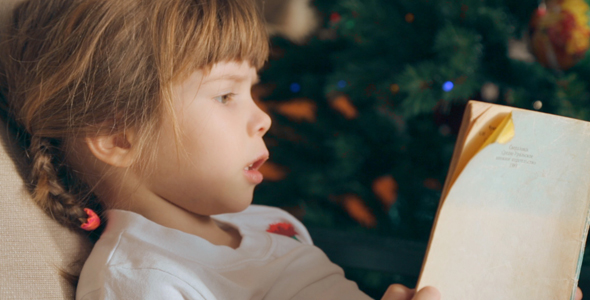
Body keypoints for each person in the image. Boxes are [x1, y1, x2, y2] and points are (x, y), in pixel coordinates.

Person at [0, 1, 578, 300]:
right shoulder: (147, 280)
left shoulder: (266, 224)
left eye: (253, 89)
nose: (263, 117)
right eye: (227, 95)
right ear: (117, 136)